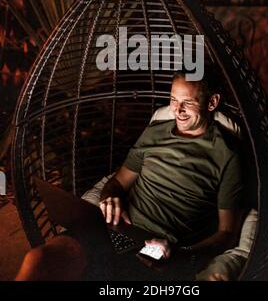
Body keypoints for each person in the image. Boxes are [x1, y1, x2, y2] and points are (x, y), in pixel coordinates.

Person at [15, 70, 244, 281]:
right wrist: (110, 197)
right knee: (39, 260)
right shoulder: (155, 132)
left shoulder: (227, 155)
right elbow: (117, 183)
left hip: (159, 248)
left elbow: (227, 233)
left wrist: (184, 255)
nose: (177, 110)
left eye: (188, 102)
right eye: (174, 100)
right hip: (116, 228)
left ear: (212, 102)